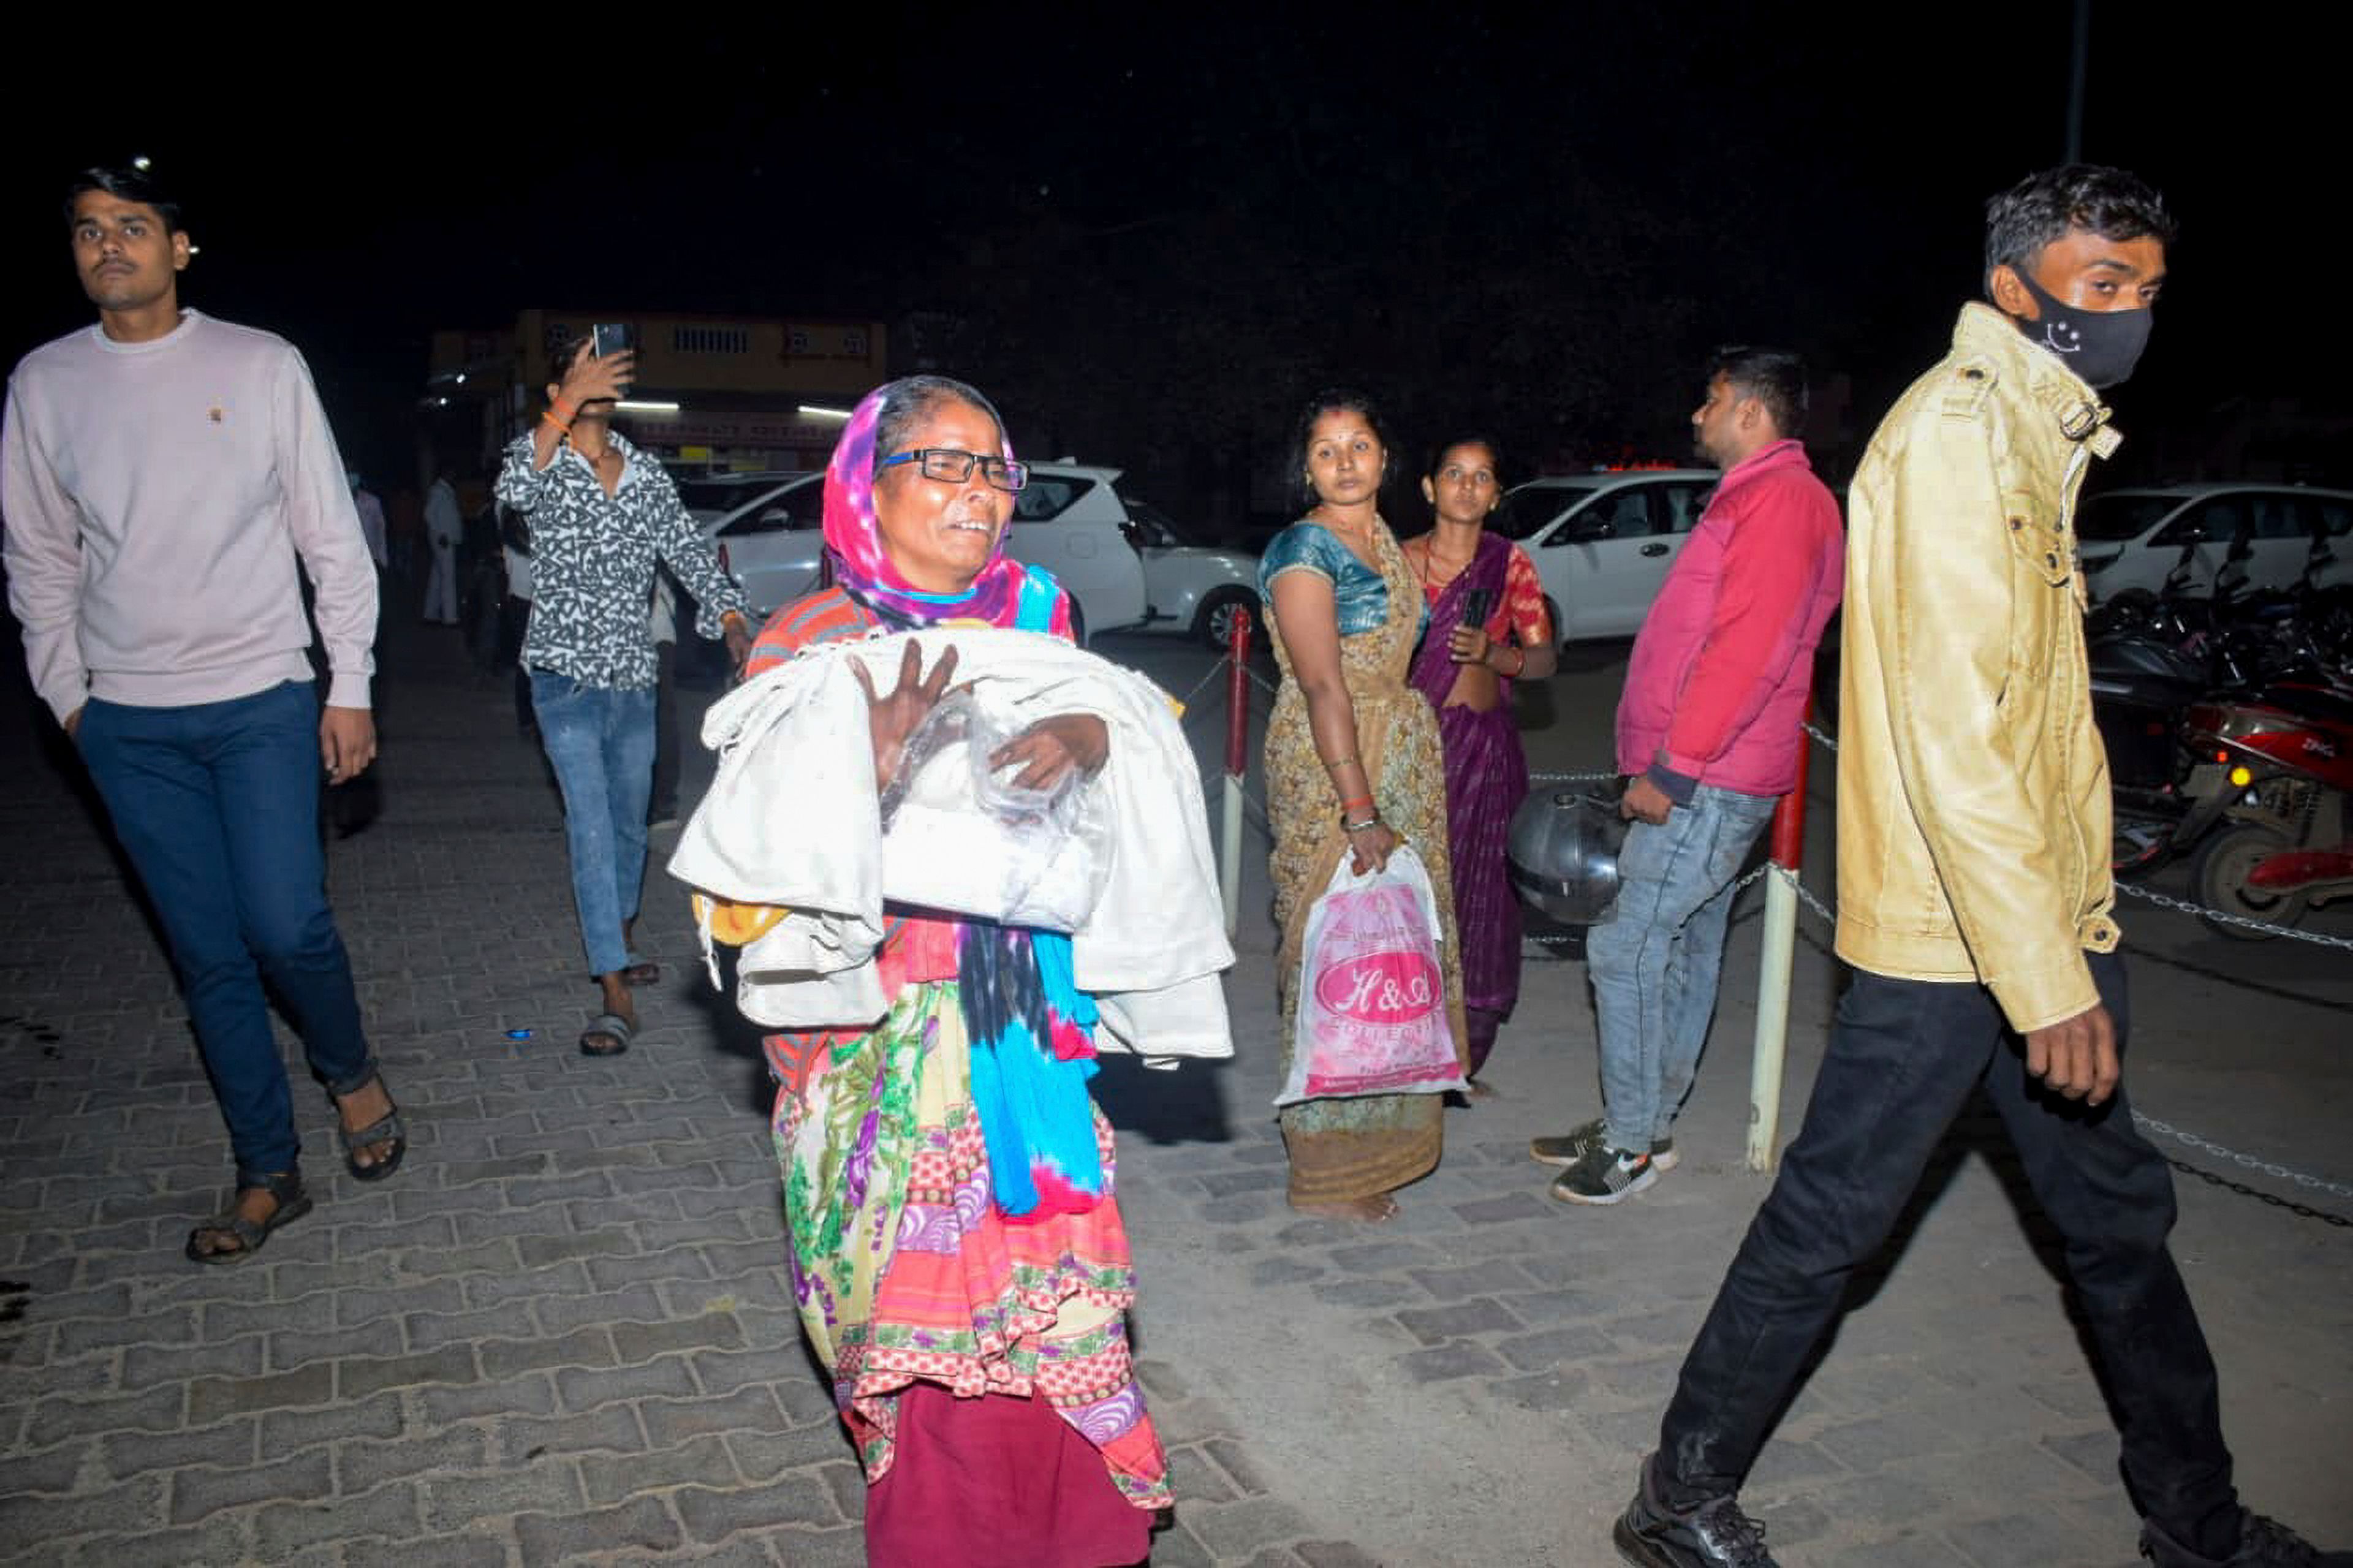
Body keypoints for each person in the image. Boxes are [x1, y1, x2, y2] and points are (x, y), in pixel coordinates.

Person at [1611, 167, 2351, 1568]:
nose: (2123, 313)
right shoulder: (1957, 438)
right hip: (1952, 947)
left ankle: (2194, 1520)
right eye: (2096, 284)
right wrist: (2043, 978)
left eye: (2142, 289)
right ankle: (1677, 1490)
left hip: (2031, 929)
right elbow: (1960, 739)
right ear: (2015, 287)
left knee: (2119, 1230)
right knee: (1833, 1217)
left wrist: (2067, 942)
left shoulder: (2027, 431)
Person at [737, 376, 1171, 1567]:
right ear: (868, 484)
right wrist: (857, 779)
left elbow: (1127, 791)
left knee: (1058, 1314)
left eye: (994, 468)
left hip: (1023, 1024)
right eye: (944, 463)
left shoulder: (1041, 619)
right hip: (877, 1044)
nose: (977, 492)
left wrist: (1092, 734)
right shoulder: (805, 646)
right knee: (936, 1349)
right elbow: (740, 901)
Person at [1, 161, 404, 1265]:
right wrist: (72, 701)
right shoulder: (44, 382)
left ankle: (350, 1068)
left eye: (134, 227)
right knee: (207, 957)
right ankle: (267, 1168)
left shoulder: (260, 364)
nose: (109, 247)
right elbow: (38, 557)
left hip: (262, 696)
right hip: (129, 721)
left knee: (286, 924)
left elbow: (332, 536)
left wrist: (350, 681)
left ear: (180, 248)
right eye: (88, 231)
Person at [1537, 349, 1842, 1208]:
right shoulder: (1765, 496)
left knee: (1626, 942)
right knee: (1683, 943)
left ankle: (1631, 1142)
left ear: (1751, 412)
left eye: (1709, 401)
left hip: (1707, 775)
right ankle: (1646, 1120)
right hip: (1716, 769)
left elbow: (1745, 652)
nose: (1695, 416)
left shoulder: (1781, 501)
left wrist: (1674, 767)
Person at [494, 336, 751, 1057]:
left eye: (605, 372)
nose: (600, 380)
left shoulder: (641, 473)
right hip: (564, 682)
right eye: (582, 373)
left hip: (635, 681)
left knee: (634, 823)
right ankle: (612, 988)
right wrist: (567, 400)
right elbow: (511, 493)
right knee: (592, 826)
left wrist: (729, 615)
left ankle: (621, 930)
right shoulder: (542, 466)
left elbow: (689, 551)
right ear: (560, 388)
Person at [1259, 389, 1468, 1222]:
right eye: (1325, 449)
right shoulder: (1304, 551)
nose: (1345, 462)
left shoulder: (1382, 539)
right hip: (1333, 758)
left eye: (1360, 445)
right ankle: (1329, 1164)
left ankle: (1394, 1127)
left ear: (1386, 458)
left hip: (1401, 747)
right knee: (1333, 948)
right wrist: (1358, 807)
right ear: (1304, 466)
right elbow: (1322, 684)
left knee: (1399, 951)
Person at [1399, 436, 1556, 1086]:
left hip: (1484, 757)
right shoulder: (1397, 563)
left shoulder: (1510, 564)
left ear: (1495, 495)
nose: (1467, 486)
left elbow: (1543, 660)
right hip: (1412, 752)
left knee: (1480, 898)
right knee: (1412, 896)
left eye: (1482, 477)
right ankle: (1403, 1040)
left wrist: (1497, 657)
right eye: (1453, 474)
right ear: (1431, 488)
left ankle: (1464, 1050)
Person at [422, 463, 462, 625]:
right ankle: (450, 617)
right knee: (447, 578)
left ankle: (430, 614)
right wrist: (441, 534)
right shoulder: (439, 491)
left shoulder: (445, 491)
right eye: (453, 473)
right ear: (446, 473)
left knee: (438, 577)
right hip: (443, 541)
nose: (455, 476)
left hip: (444, 540)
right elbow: (428, 514)